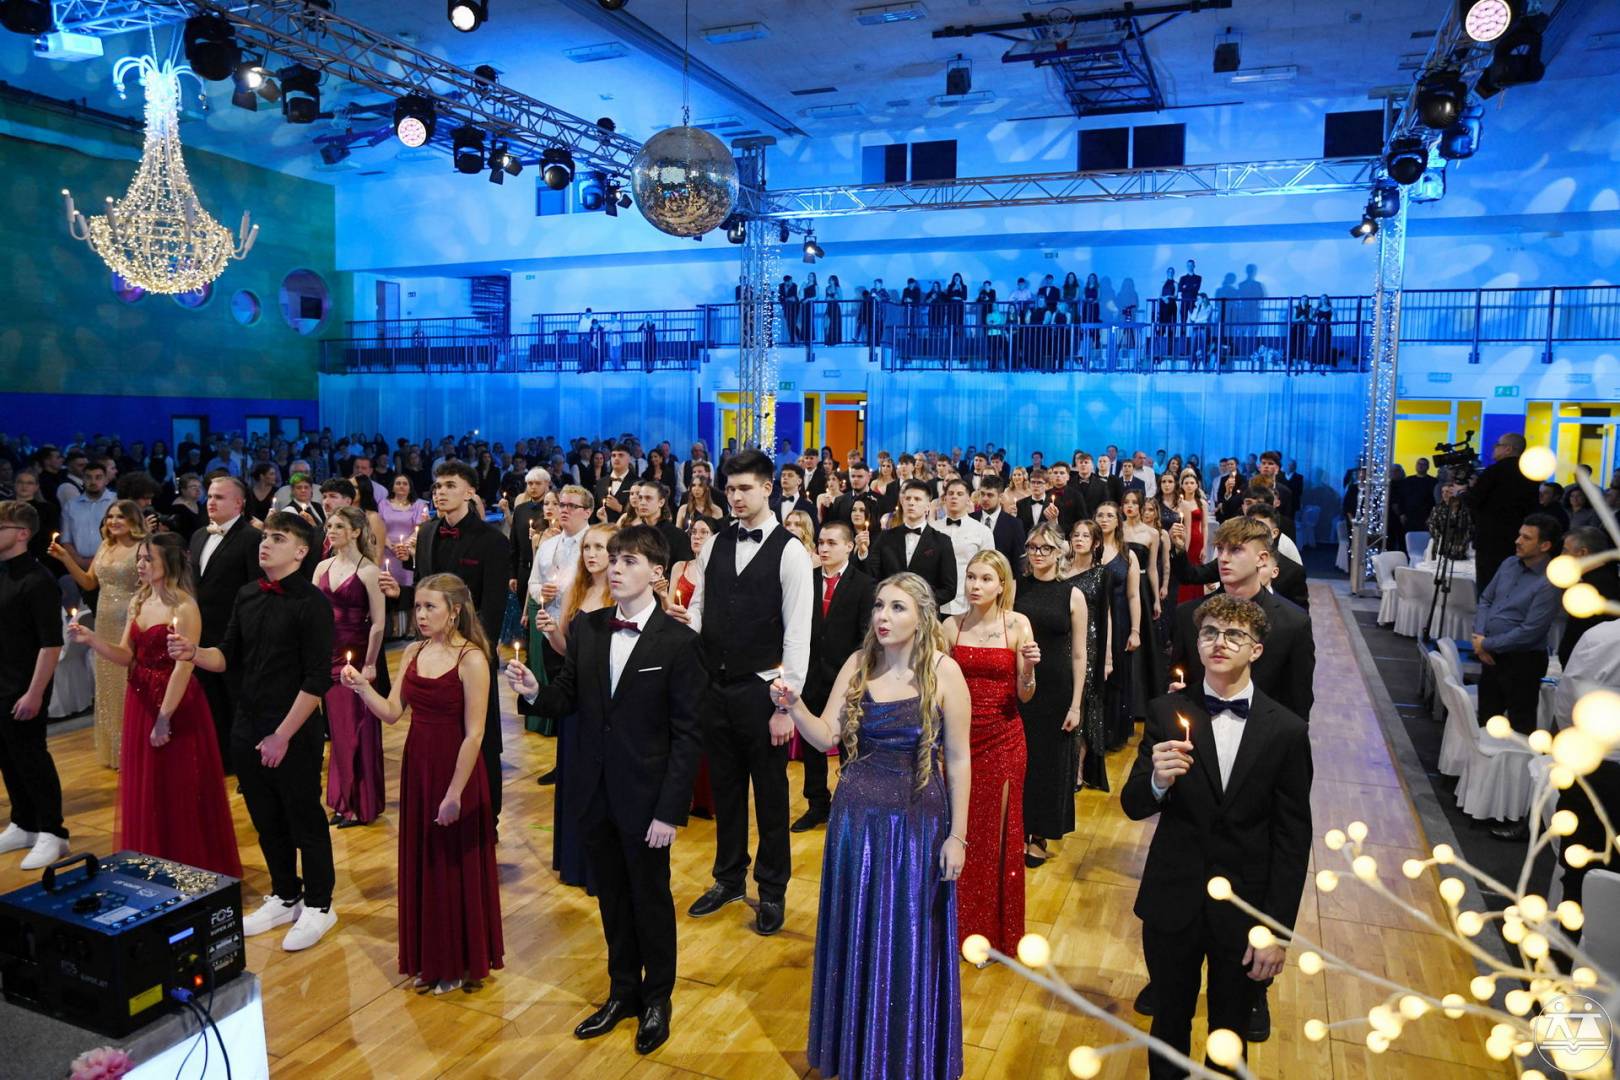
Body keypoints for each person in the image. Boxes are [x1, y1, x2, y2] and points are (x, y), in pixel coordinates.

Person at [507, 526, 705, 1054]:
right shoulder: (590, 628)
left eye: (628, 560)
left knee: (650, 900)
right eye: (613, 559)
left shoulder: (680, 642)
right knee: (612, 899)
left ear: (657, 573)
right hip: (594, 792)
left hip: (646, 799)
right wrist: (535, 691)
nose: (615, 568)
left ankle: (657, 998)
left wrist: (669, 810)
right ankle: (622, 993)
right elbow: (569, 697)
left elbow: (688, 734)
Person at [768, 572, 970, 1080]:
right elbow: (826, 737)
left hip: (917, 826)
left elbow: (959, 760)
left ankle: (904, 1056)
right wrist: (794, 705)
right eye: (879, 606)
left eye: (897, 608)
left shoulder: (945, 672)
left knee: (909, 939)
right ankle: (857, 1053)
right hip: (855, 824)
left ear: (922, 617)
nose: (883, 616)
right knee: (856, 935)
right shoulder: (858, 664)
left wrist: (958, 836)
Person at [1122, 594, 1313, 1079]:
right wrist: (1157, 781)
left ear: (1256, 650)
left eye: (1234, 635)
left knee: (1230, 1033)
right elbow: (1133, 804)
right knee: (1168, 1024)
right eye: (1209, 632)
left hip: (1244, 912)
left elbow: (1293, 841)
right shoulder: (1166, 712)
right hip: (1173, 901)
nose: (1218, 642)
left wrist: (1276, 931)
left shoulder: (1286, 731)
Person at [168, 511, 338, 952]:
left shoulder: (313, 604)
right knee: (265, 818)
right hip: (248, 723)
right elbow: (227, 656)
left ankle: (320, 904)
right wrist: (193, 652)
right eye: (266, 537)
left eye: (278, 539)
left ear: (300, 551)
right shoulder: (247, 594)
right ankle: (285, 894)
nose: (265, 544)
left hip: (293, 729)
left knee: (304, 818)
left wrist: (283, 735)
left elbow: (317, 679)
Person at [343, 573, 503, 995]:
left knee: (451, 865)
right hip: (418, 767)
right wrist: (361, 688)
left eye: (430, 607)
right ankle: (430, 958)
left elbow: (475, 734)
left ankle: (456, 961)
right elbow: (392, 712)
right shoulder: (414, 651)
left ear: (455, 611)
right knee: (425, 862)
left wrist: (454, 793)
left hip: (456, 771)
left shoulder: (472, 659)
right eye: (417, 607)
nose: (421, 615)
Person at [681, 450, 814, 937]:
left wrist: (785, 704)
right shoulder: (715, 543)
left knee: (772, 796)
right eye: (730, 489)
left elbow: (798, 635)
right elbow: (701, 607)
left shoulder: (791, 551)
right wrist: (685, 624)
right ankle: (729, 877)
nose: (735, 497)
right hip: (714, 687)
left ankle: (772, 889)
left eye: (744, 488)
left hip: (763, 691)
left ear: (767, 488)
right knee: (727, 790)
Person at [66, 532, 241, 876]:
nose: (141, 565)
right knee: (147, 789)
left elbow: (183, 667)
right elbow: (125, 656)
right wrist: (92, 640)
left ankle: (190, 866)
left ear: (169, 563)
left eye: (148, 559)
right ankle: (153, 865)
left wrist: (164, 718)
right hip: (140, 699)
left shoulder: (185, 607)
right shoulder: (139, 600)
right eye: (140, 559)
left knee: (178, 787)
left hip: (175, 703)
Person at [385, 461, 510, 826]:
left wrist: (468, 651)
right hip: (432, 651)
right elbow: (425, 591)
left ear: (470, 491)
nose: (440, 492)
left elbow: (492, 609)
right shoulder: (426, 533)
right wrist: (400, 594)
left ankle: (487, 818)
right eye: (437, 486)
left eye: (450, 485)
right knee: (435, 738)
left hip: (471, 654)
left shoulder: (493, 541)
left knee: (481, 737)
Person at [944, 550, 1039, 954]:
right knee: (959, 828)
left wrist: (1029, 670)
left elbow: (1025, 695)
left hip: (1004, 738)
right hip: (959, 739)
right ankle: (958, 928)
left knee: (998, 834)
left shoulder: (1017, 624)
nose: (976, 585)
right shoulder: (951, 626)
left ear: (1002, 585)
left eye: (985, 579)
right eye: (971, 577)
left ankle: (995, 932)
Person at [533, 522, 617, 888]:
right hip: (576, 697)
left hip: (607, 701)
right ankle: (575, 863)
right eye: (588, 547)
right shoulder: (577, 590)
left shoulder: (621, 594)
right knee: (575, 781)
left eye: (600, 547)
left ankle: (601, 871)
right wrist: (551, 631)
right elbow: (569, 652)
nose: (592, 554)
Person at [1169, 517, 1315, 727]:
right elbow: (1178, 678)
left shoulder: (1293, 623)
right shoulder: (1188, 615)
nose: (1223, 558)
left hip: (1264, 737)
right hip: (1198, 734)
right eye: (1220, 549)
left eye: (1235, 550)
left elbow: (1298, 704)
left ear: (1262, 558)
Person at [792, 522, 876, 834]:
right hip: (810, 675)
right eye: (821, 542)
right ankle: (817, 804)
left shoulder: (864, 584)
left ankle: (849, 804)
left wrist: (853, 675)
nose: (823, 548)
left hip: (846, 677)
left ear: (849, 547)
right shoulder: (806, 579)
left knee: (849, 745)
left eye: (831, 543)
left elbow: (866, 636)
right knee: (812, 745)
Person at [0, 500, 70, 871]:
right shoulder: (3, 573)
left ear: (22, 534)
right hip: (2, 680)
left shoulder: (39, 580)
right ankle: (23, 822)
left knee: (31, 757)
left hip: (24, 685)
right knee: (7, 757)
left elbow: (51, 644)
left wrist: (34, 693)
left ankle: (52, 831)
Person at [51, 498, 144, 769]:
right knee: (109, 683)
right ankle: (116, 749)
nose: (113, 521)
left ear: (133, 520)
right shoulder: (105, 546)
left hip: (131, 620)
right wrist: (66, 558)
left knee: (129, 682)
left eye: (120, 517)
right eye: (110, 516)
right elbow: (89, 582)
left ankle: (136, 750)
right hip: (104, 621)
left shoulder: (143, 547)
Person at [1015, 523, 1088, 866]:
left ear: (1059, 552)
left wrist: (1076, 704)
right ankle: (1017, 828)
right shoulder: (1016, 588)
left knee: (1049, 762)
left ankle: (1040, 833)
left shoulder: (1073, 594)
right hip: (1020, 682)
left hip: (1057, 688)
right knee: (1021, 760)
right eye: (1033, 547)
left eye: (1045, 548)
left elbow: (1080, 654)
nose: (1038, 554)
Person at [317, 508, 388, 828]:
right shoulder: (321, 567)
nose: (331, 531)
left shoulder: (369, 571)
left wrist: (370, 663)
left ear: (356, 531)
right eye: (329, 525)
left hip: (356, 658)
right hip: (326, 657)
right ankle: (342, 801)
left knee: (357, 729)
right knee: (338, 731)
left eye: (339, 526)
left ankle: (360, 804)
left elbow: (378, 623)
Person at [188, 477, 264, 764]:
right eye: (209, 496)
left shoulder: (251, 538)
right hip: (202, 632)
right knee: (209, 698)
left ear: (238, 503)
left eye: (219, 497)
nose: (211, 501)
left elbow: (256, 589)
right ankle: (218, 758)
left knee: (238, 699)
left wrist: (248, 634)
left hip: (235, 635)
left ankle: (244, 761)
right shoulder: (198, 536)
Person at [1472, 514, 1561, 742]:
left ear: (1545, 545)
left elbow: (1531, 631)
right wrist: (1480, 637)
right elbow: (1486, 600)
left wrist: (1486, 643)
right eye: (1519, 535)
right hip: (1490, 656)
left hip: (1522, 662)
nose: (1517, 541)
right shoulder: (1509, 564)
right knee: (1486, 722)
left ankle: (1516, 766)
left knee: (1520, 729)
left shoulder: (1550, 580)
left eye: (1526, 538)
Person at [1064, 520, 1112, 791]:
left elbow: (1107, 616)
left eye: (1085, 536)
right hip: (1062, 641)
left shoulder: (1101, 574)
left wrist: (1108, 657)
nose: (1079, 539)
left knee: (1082, 704)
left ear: (1095, 543)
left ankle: (1079, 767)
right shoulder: (1061, 570)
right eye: (1076, 535)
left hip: (1090, 645)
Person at [864, 479, 957, 611]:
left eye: (917, 499)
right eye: (907, 498)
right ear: (902, 502)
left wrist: (918, 603)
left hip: (925, 614)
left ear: (927, 506)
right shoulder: (885, 537)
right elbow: (872, 576)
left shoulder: (942, 541)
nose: (911, 502)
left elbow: (949, 589)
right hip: (889, 612)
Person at [1094, 502, 1142, 750]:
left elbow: (1133, 595)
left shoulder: (1128, 554)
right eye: (1100, 515)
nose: (1104, 519)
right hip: (1092, 619)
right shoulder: (1087, 549)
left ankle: (1113, 734)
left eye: (1109, 516)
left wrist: (1136, 630)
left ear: (1117, 521)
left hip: (1121, 621)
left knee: (1117, 676)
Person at [1468, 432, 1541, 592]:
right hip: (1519, 538)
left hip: (1490, 539)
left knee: (1488, 587)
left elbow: (1474, 500)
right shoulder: (1532, 474)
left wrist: (1462, 493)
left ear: (1508, 449)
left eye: (1497, 445)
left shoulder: (1494, 471)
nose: (1494, 448)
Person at [1557, 526, 1618, 667]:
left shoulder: (1596, 588)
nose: (1560, 556)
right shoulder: (1589, 581)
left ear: (1583, 553)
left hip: (1590, 667)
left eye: (1565, 551)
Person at [938, 478, 995, 617]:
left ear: (968, 499)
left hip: (969, 603)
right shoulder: (932, 528)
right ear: (944, 498)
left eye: (959, 494)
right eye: (950, 493)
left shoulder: (982, 531)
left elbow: (990, 569)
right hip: (936, 604)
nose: (954, 497)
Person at [972, 474, 1026, 573]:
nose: (985, 498)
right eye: (982, 494)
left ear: (1000, 497)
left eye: (990, 495)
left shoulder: (1014, 524)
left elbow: (1019, 561)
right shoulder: (970, 519)